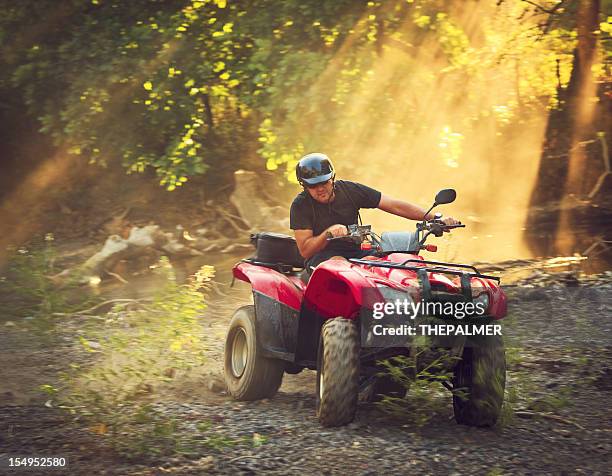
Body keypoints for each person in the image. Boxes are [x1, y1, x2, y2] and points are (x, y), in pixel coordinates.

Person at [289, 152, 460, 270]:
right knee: (339, 266)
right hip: (322, 257)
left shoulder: (350, 190)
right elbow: (305, 250)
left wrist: (434, 218)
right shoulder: (300, 205)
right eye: (313, 186)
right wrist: (328, 234)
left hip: (357, 250)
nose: (320, 189)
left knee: (391, 264)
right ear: (304, 186)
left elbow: (393, 204)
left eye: (324, 182)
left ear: (332, 178)